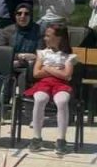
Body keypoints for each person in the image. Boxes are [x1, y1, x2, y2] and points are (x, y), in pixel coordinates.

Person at [26, 23, 77, 155]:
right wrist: (54, 70)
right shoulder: (42, 53)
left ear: (58, 38)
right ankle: (36, 137)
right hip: (44, 83)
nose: (45, 38)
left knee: (62, 101)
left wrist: (47, 68)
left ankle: (61, 139)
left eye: (48, 36)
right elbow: (36, 73)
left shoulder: (68, 56)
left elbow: (66, 75)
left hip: (61, 84)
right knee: (40, 99)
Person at [10, 3, 41, 71]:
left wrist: (20, 62)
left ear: (31, 16)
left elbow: (40, 54)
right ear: (15, 16)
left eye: (26, 14)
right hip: (11, 65)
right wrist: (20, 56)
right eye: (19, 13)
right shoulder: (7, 31)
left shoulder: (39, 31)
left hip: (32, 67)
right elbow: (3, 53)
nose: (22, 16)